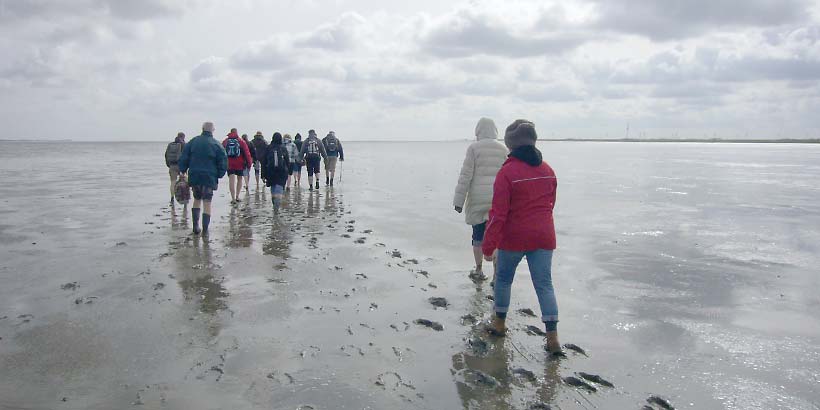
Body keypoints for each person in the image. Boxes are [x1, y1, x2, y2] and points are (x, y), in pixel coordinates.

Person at [481, 119, 560, 354]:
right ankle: (553, 338)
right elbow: (550, 204)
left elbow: (498, 214)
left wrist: (488, 246)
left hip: (513, 237)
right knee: (544, 285)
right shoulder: (548, 170)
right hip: (544, 236)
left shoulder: (507, 172)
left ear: (510, 145)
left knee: (504, 280)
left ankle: (499, 323)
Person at [453, 118, 508, 284]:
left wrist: (459, 201)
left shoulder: (474, 148)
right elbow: (508, 176)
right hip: (497, 199)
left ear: (478, 131)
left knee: (477, 236)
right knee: (496, 236)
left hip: (477, 199)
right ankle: (497, 275)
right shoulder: (503, 148)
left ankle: (478, 269)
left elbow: (465, 176)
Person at [178, 122, 228, 235]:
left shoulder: (193, 142)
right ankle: (205, 230)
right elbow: (223, 161)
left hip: (195, 175)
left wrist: (183, 170)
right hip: (209, 177)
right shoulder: (216, 144)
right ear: (212, 130)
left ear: (202, 129)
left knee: (196, 199)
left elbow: (184, 157)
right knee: (207, 202)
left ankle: (195, 226)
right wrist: (219, 174)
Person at [262, 132, 291, 211]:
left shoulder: (268, 148)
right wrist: (289, 171)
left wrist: (263, 175)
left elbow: (264, 162)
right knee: (279, 188)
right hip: (281, 172)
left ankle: (275, 202)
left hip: (270, 172)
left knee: (273, 188)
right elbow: (287, 161)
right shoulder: (283, 148)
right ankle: (277, 204)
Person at [222, 128, 252, 204]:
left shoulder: (225, 141)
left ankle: (233, 198)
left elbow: (221, 153)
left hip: (229, 164)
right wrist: (249, 164)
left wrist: (222, 163)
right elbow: (247, 153)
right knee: (239, 179)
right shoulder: (241, 141)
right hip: (240, 164)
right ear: (237, 132)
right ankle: (237, 196)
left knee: (231, 180)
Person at [164, 132, 186, 205]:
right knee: (184, 182)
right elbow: (186, 156)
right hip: (181, 166)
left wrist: (169, 165)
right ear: (183, 137)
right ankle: (184, 198)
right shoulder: (183, 144)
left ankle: (172, 198)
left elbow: (166, 155)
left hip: (172, 165)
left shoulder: (170, 145)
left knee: (173, 182)